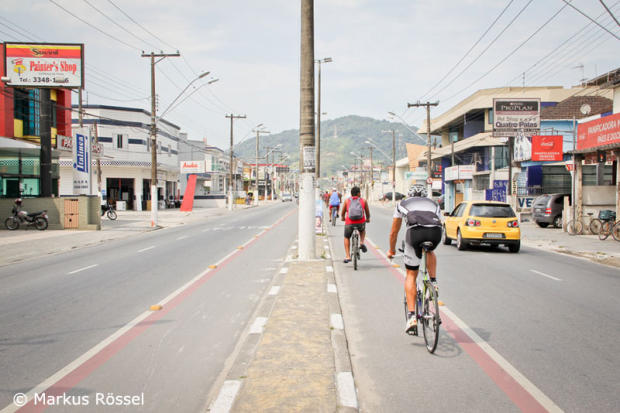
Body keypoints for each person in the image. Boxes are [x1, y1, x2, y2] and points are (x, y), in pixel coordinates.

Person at [387, 184, 442, 334]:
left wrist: (391, 250)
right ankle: (433, 282)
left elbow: (394, 232)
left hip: (415, 233)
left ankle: (411, 316)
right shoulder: (434, 204)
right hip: (435, 233)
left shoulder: (402, 203)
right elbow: (439, 222)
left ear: (410, 195)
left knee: (411, 275)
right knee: (429, 249)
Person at [341, 186, 370, 263]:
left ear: (351, 194)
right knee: (362, 230)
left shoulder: (347, 201)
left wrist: (343, 218)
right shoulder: (363, 201)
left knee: (346, 237)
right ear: (358, 193)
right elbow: (367, 212)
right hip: (360, 222)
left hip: (349, 223)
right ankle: (362, 242)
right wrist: (368, 219)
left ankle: (348, 256)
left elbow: (343, 212)